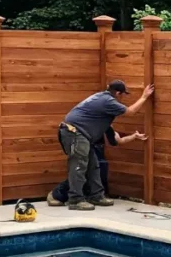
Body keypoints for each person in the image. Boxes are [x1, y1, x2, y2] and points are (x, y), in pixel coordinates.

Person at [59, 80, 154, 211]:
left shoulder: (101, 113)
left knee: (93, 165)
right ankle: (75, 200)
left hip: (80, 134)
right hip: (75, 132)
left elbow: (117, 140)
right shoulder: (107, 101)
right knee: (79, 166)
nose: (122, 98)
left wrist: (134, 137)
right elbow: (130, 112)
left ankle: (96, 196)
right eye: (123, 95)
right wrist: (144, 97)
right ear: (118, 93)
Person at [47, 126, 147, 206]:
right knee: (81, 173)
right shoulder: (86, 121)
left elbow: (118, 140)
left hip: (97, 149)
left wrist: (134, 136)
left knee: (97, 173)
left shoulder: (105, 123)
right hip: (82, 144)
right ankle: (56, 194)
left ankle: (94, 197)